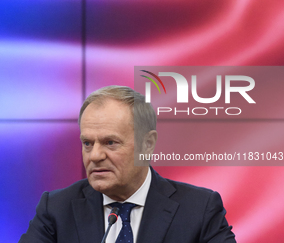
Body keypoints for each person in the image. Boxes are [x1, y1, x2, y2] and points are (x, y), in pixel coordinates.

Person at [19, 85, 236, 243]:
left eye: (110, 142)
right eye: (87, 143)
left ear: (147, 144)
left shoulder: (199, 209)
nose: (94, 155)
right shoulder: (57, 208)